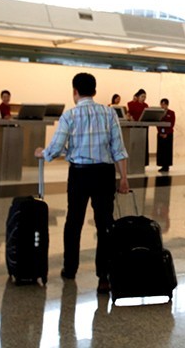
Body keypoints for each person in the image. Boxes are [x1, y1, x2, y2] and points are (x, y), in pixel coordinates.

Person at [34, 72, 129, 294]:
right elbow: (118, 148)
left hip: (79, 174)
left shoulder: (70, 116)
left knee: (73, 221)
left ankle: (70, 268)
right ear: (95, 92)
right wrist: (123, 178)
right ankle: (104, 276)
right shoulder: (109, 114)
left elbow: (56, 148)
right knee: (105, 223)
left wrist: (43, 153)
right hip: (105, 174)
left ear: (74, 91)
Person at [156, 98, 175, 173]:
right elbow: (157, 122)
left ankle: (166, 166)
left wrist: (166, 133)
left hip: (168, 134)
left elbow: (172, 124)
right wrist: (160, 132)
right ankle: (162, 165)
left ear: (167, 105)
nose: (163, 106)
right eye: (161, 104)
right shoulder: (159, 113)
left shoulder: (171, 113)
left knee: (167, 150)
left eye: (164, 104)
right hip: (160, 133)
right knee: (161, 150)